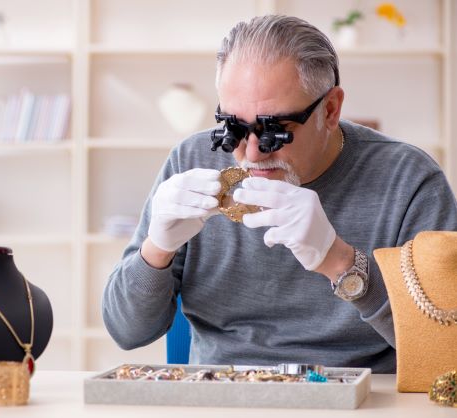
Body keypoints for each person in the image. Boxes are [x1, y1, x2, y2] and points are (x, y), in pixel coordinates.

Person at [101, 15, 457, 373]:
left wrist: (341, 263)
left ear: (330, 109)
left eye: (275, 131)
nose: (251, 153)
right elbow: (126, 332)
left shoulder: (408, 179)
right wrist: (156, 250)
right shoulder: (191, 160)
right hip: (220, 392)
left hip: (362, 396)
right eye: (233, 127)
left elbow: (445, 351)